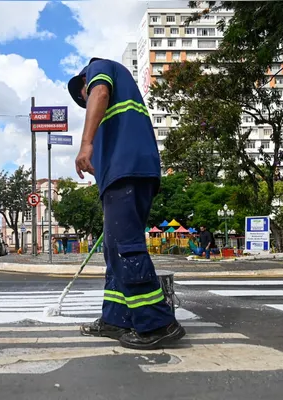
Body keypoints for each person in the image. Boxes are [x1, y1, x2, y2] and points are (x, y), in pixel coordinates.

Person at [68, 57, 185, 350]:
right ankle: (116, 317)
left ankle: (158, 323)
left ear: (84, 82)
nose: (87, 102)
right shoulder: (116, 95)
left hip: (127, 170)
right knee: (113, 249)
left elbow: (100, 93)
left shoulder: (99, 68)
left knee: (124, 247)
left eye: (84, 96)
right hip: (124, 174)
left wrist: (86, 144)